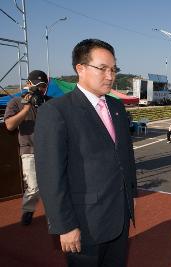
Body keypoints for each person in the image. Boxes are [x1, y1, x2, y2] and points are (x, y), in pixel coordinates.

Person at [34, 39, 137, 266]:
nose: (110, 76)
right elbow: (51, 176)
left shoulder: (117, 107)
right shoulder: (56, 112)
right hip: (84, 223)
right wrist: (65, 226)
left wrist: (132, 196)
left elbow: (126, 156)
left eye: (113, 69)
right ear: (80, 68)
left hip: (120, 216)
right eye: (103, 68)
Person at [4, 70, 50, 226]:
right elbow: (10, 125)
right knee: (34, 186)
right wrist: (26, 108)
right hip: (29, 150)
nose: (40, 89)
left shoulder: (49, 102)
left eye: (43, 86)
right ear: (28, 85)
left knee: (54, 184)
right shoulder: (16, 102)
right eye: (37, 86)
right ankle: (29, 209)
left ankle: (56, 214)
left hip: (49, 151)